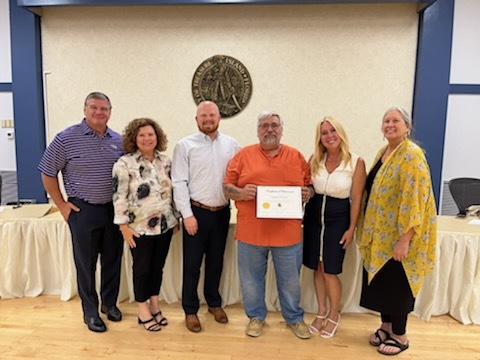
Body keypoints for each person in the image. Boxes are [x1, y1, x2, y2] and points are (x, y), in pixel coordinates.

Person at [38, 92, 124, 332]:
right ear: (85, 109)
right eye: (94, 107)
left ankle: (110, 304)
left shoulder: (119, 140)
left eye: (104, 109)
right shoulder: (66, 139)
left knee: (112, 260)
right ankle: (90, 312)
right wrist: (61, 205)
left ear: (110, 112)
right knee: (86, 264)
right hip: (83, 210)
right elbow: (47, 171)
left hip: (113, 211)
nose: (99, 112)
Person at [223, 110, 313, 340]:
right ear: (258, 130)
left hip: (288, 235)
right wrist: (241, 193)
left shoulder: (296, 156)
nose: (269, 129)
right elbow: (226, 187)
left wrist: (308, 193)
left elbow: (310, 186)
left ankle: (294, 318)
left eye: (274, 125)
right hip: (251, 233)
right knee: (251, 281)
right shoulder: (243, 155)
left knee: (291, 281)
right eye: (264, 125)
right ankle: (256, 317)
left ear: (282, 129)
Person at [356, 107, 437, 355]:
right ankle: (386, 326)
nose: (390, 124)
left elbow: (416, 199)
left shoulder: (411, 155)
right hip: (379, 235)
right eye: (386, 121)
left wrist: (405, 239)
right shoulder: (385, 152)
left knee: (398, 284)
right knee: (382, 283)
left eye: (396, 121)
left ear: (407, 127)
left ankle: (400, 335)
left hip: (400, 236)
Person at [171, 100, 241, 333]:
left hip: (222, 213)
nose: (208, 119)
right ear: (196, 119)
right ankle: (190, 310)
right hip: (196, 213)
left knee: (216, 262)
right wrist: (187, 216)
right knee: (192, 265)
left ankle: (214, 303)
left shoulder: (232, 145)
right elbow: (179, 182)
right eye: (203, 116)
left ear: (219, 117)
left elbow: (240, 178)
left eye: (212, 115)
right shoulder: (184, 146)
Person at [303, 116, 366, 338]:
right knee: (317, 267)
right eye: (324, 132)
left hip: (338, 219)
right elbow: (308, 188)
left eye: (332, 131)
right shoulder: (314, 159)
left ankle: (334, 314)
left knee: (330, 270)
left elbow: (357, 199)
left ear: (340, 134)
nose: (329, 136)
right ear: (319, 138)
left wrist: (351, 228)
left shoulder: (356, 162)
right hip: (313, 218)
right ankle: (320, 311)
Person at [112, 118, 177, 332]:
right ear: (134, 139)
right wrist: (123, 227)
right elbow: (119, 196)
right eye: (142, 135)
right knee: (142, 269)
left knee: (157, 268)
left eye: (150, 134)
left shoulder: (165, 161)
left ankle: (155, 304)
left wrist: (174, 218)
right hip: (138, 228)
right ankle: (143, 310)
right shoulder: (124, 164)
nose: (147, 139)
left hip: (165, 225)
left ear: (157, 137)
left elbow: (171, 192)